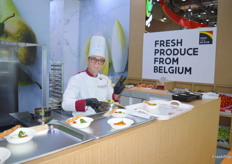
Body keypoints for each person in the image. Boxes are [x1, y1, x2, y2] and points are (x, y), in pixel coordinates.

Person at [62, 35, 126, 116]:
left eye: (101, 60)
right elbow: (65, 104)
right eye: (93, 59)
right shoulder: (77, 79)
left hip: (101, 119)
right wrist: (86, 102)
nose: (97, 64)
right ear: (87, 60)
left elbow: (112, 100)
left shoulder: (105, 79)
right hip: (82, 120)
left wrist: (116, 93)